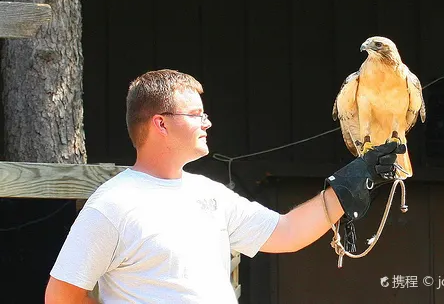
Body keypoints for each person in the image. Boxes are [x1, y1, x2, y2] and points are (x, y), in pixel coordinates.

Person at [45, 69, 404, 303]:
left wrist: (350, 184)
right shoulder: (111, 206)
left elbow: (287, 232)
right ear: (160, 124)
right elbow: (61, 296)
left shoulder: (209, 193)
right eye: (195, 114)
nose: (207, 122)